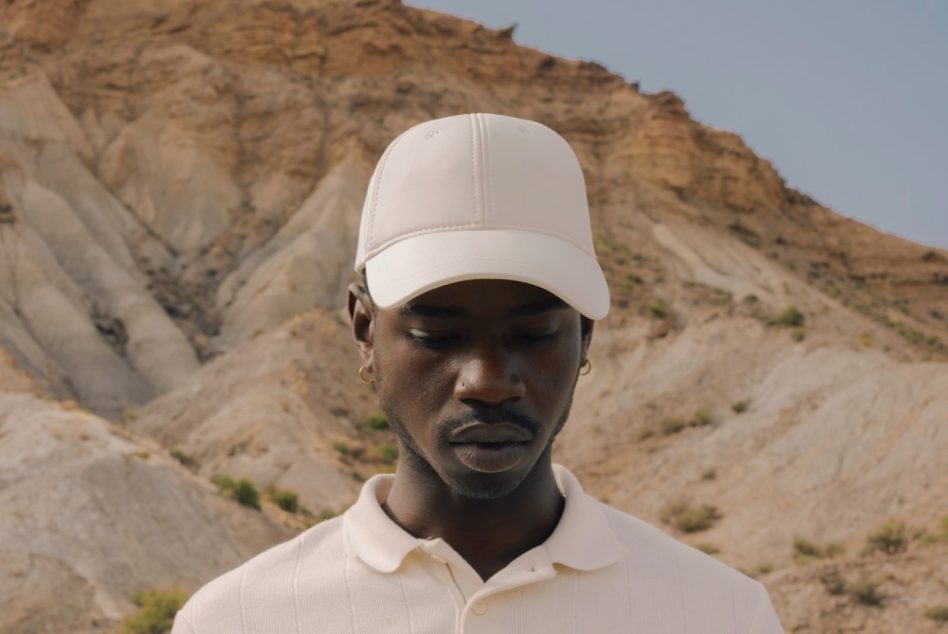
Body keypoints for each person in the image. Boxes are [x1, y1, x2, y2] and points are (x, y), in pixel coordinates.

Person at [172, 113, 783, 633]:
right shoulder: (239, 620)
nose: (488, 381)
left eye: (536, 334)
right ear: (364, 330)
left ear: (585, 335)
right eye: (436, 335)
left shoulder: (720, 615)